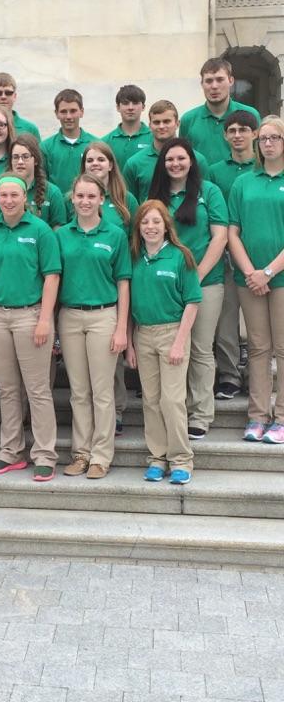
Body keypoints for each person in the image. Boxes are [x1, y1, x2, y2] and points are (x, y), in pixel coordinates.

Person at [0, 173, 61, 482]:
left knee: (37, 390)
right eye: (3, 195)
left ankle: (44, 453)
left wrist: (45, 320)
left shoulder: (40, 231)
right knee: (8, 389)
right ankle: (10, 450)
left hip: (30, 315)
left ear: (25, 198)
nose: (8, 200)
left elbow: (52, 276)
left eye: (14, 195)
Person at [148, 138, 228, 439]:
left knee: (200, 348)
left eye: (181, 158)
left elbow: (219, 237)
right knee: (171, 347)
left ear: (192, 161)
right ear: (162, 163)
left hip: (205, 282)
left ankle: (201, 413)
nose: (176, 164)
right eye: (169, 160)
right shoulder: (157, 195)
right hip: (164, 286)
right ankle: (173, 410)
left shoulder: (210, 192)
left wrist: (196, 275)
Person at [56, 174, 131, 479]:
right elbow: (53, 279)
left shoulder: (114, 235)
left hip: (104, 316)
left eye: (91, 196)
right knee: (78, 390)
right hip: (70, 317)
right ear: (72, 199)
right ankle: (80, 453)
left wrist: (121, 327)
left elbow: (123, 282)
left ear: (102, 200)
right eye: (80, 196)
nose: (85, 202)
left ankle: (101, 455)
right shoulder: (60, 235)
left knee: (102, 391)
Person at [126, 200, 202, 484]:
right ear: (139, 228)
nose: (150, 227)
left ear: (166, 225)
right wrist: (131, 345)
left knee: (172, 400)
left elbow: (192, 302)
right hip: (143, 333)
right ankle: (157, 457)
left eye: (156, 221)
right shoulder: (134, 258)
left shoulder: (181, 257)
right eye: (145, 222)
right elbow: (129, 302)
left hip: (172, 332)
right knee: (151, 400)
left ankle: (181, 459)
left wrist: (179, 343)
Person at [228, 115, 284, 443]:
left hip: (279, 278)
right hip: (248, 279)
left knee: (283, 347)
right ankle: (257, 417)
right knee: (259, 348)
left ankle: (281, 419)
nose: (268, 143)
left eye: (274, 137)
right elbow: (232, 231)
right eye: (263, 138)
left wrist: (268, 271)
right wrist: (251, 272)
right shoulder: (243, 182)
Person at [78, 141, 138, 434]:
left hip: (120, 280)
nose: (95, 164)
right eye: (90, 160)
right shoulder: (76, 200)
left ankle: (116, 411)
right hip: (86, 284)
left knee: (114, 353)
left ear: (111, 164)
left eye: (101, 159)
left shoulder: (127, 200)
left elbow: (138, 240)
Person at [207, 110, 259, 400]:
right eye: (232, 130)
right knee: (226, 319)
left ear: (254, 133)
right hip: (224, 252)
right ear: (225, 136)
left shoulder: (264, 168)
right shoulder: (216, 170)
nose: (238, 135)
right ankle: (228, 375)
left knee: (256, 322)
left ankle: (255, 372)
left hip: (256, 254)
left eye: (243, 130)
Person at [122, 100, 209, 203]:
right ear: (150, 125)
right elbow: (129, 205)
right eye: (156, 122)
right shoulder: (134, 163)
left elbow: (207, 197)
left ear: (177, 123)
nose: (161, 126)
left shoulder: (197, 160)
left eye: (167, 121)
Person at [180, 57, 260, 166]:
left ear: (231, 81)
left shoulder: (251, 114)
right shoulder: (188, 119)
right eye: (209, 81)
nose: (214, 86)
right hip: (201, 182)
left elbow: (261, 155)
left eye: (220, 80)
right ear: (202, 84)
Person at [0, 134, 67, 230]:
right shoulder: (0, 196)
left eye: (25, 157)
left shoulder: (52, 192)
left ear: (36, 160)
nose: (20, 162)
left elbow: (58, 229)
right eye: (16, 157)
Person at [41, 89, 97, 194]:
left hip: (88, 204)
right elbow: (42, 182)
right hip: (57, 206)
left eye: (73, 111)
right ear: (56, 113)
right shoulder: (46, 147)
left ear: (82, 112)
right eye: (63, 112)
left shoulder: (95, 144)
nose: (68, 117)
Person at [102, 84, 153, 171]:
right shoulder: (105, 142)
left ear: (143, 107)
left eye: (135, 103)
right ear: (118, 107)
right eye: (125, 103)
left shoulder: (154, 138)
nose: (130, 108)